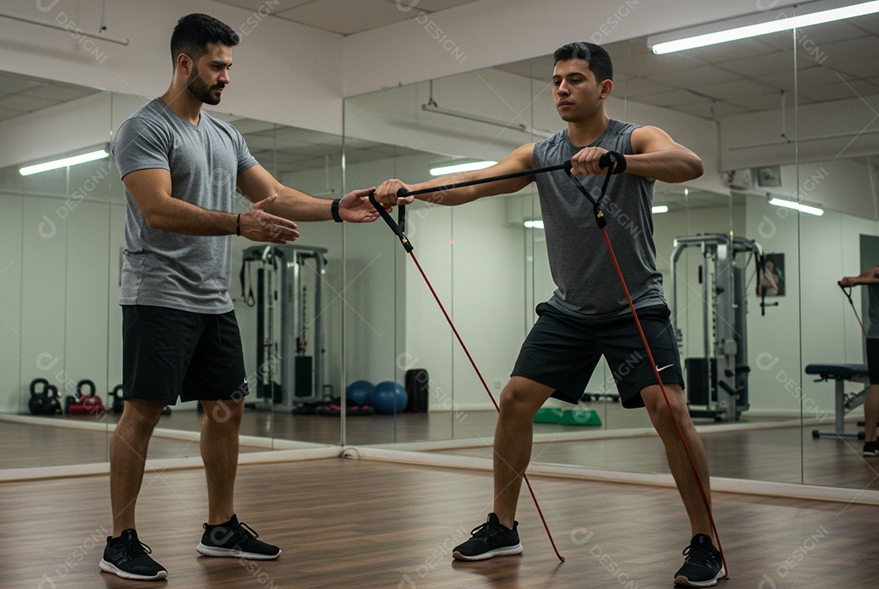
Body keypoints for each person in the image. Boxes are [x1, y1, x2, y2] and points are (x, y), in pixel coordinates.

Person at [375, 42, 723, 587]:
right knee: (515, 399)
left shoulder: (634, 137)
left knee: (668, 410)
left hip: (635, 306)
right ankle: (504, 527)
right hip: (569, 311)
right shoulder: (541, 154)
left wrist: (618, 162)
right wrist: (407, 192)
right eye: (557, 80)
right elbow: (472, 183)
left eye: (575, 80)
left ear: (603, 88)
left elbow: (690, 163)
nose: (562, 89)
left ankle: (707, 541)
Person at [102, 13, 379, 582]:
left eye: (230, 66)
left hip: (212, 298)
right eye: (217, 65)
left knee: (227, 408)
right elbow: (157, 208)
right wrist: (238, 225)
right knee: (144, 413)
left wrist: (335, 207)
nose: (226, 76)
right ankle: (120, 538)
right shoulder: (145, 128)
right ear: (185, 63)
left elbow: (272, 194)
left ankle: (220, 526)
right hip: (158, 293)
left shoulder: (225, 135)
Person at [838, 268, 879, 457]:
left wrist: (852, 280)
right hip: (875, 336)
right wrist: (852, 281)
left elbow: (859, 279)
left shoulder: (873, 272)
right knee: (877, 388)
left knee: (877, 387)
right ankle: (870, 442)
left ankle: (870, 443)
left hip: (875, 337)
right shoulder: (874, 272)